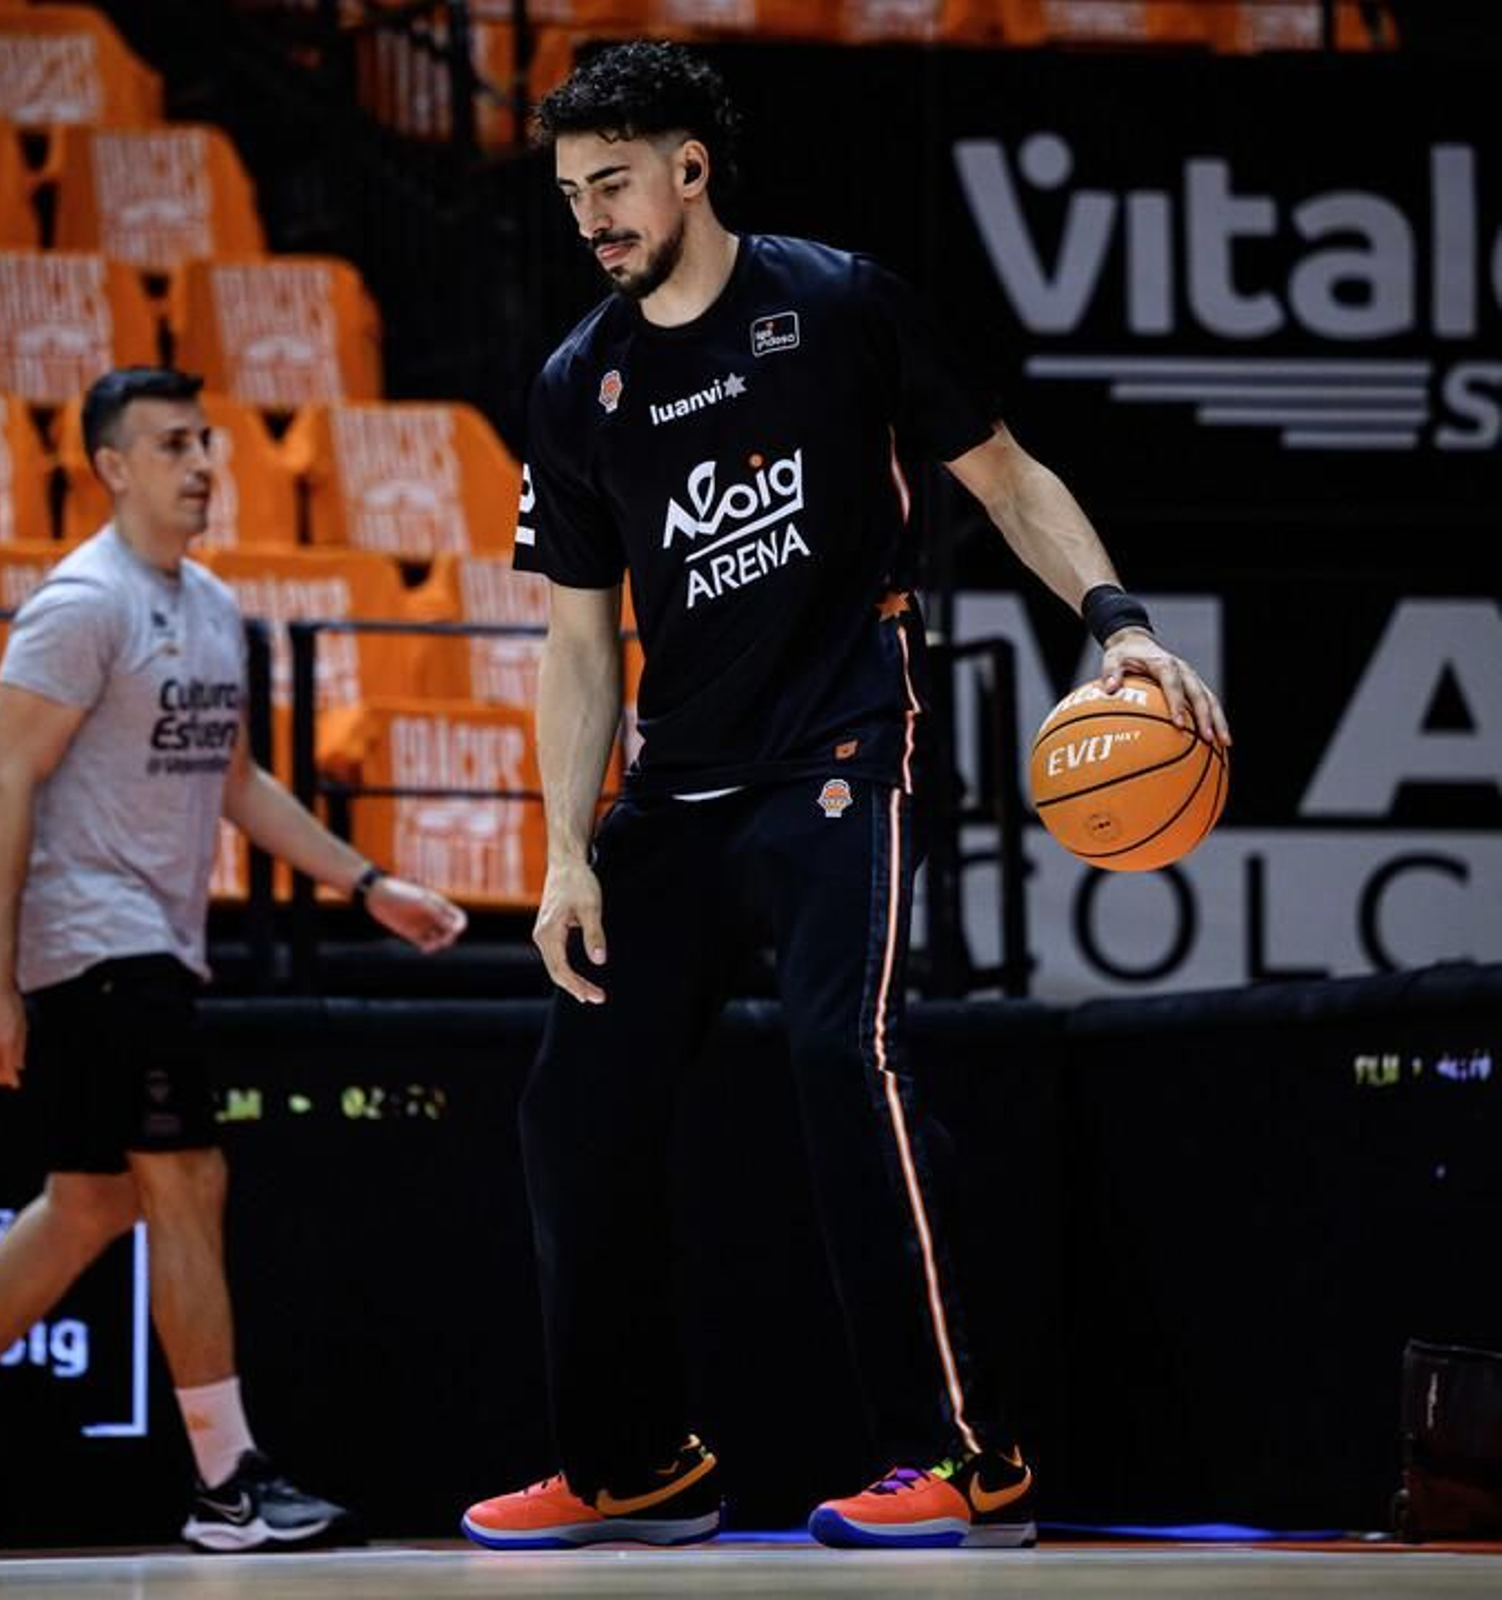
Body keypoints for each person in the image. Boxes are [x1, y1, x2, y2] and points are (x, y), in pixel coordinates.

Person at [460, 40, 1231, 1554]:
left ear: (691, 165)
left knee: (843, 1055)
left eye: (613, 182)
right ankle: (635, 1468)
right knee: (573, 1108)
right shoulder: (576, 383)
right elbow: (575, 644)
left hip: (839, 747)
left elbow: (1006, 480)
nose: (592, 216)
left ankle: (965, 1456)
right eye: (568, 194)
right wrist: (565, 853)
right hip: (676, 787)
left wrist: (1124, 626)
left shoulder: (839, 303)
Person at [0, 367, 468, 1559]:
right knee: (187, 1180)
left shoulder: (211, 606)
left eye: (207, 442)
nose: (205, 464)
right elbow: (2, 784)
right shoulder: (79, 604)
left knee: (89, 1204)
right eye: (174, 446)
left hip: (155, 940)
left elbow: (236, 781)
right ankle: (226, 1484)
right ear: (113, 467)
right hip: (93, 941)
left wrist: (370, 885)